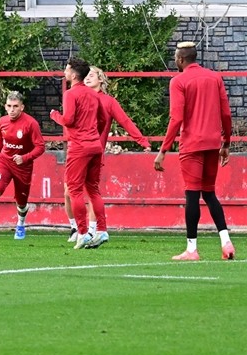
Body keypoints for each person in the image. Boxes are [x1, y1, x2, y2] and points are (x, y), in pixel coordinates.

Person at [154, 42, 236, 261]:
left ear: (181, 60)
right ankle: (226, 242)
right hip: (212, 143)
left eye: (175, 58)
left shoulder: (178, 81)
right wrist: (226, 142)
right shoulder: (214, 77)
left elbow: (176, 118)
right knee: (209, 193)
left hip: (191, 144)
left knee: (192, 194)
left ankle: (192, 249)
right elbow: (226, 114)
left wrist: (163, 149)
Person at [59, 66, 150, 247]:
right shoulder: (82, 96)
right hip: (87, 147)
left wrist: (142, 141)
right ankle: (83, 229)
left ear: (101, 79)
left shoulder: (105, 101)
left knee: (84, 189)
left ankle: (90, 229)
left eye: (92, 75)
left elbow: (124, 120)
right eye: (87, 75)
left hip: (85, 148)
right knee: (71, 191)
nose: (88, 78)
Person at [49, 57, 109, 249]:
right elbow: (102, 118)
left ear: (74, 75)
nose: (64, 72)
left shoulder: (70, 94)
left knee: (74, 190)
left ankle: (82, 233)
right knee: (93, 189)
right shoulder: (93, 94)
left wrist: (54, 116)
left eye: (66, 69)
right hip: (95, 146)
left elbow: (68, 119)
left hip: (79, 147)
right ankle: (102, 230)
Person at [0, 91, 44, 241]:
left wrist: (24, 157)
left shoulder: (31, 123)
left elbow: (40, 147)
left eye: (15, 106)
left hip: (23, 167)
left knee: (21, 201)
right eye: (9, 106)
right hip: (5, 162)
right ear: (5, 107)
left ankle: (20, 224)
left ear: (22, 107)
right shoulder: (3, 121)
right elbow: (1, 140)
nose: (12, 109)